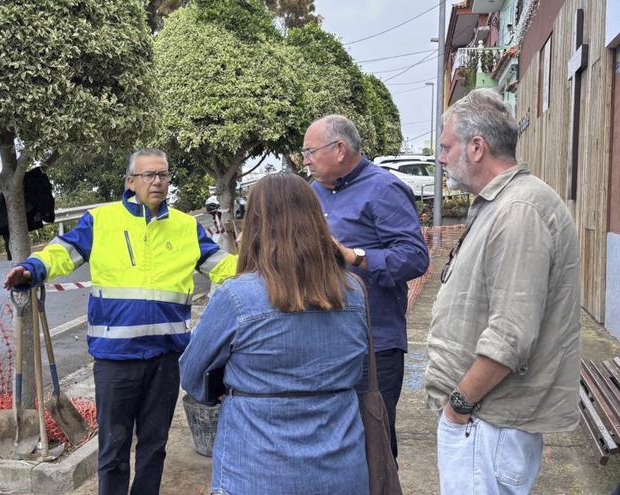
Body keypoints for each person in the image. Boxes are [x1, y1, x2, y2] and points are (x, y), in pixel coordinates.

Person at [3, 149, 236, 495]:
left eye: (163, 174)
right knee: (113, 450)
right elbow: (62, 252)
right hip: (116, 361)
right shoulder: (102, 220)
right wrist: (33, 269)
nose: (157, 181)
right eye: (148, 175)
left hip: (165, 358)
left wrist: (270, 269)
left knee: (154, 446)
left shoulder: (187, 228)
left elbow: (226, 266)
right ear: (130, 182)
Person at [425, 88, 580, 493]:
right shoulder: (503, 202)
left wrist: (458, 406)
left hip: (486, 420)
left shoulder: (519, 210)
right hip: (484, 420)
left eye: (446, 146)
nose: (440, 158)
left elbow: (511, 334)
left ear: (477, 147)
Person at [179, 173, 369, 494]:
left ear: (255, 225)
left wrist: (222, 391)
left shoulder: (237, 297)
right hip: (342, 467)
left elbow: (192, 373)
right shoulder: (353, 293)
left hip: (254, 469)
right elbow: (358, 371)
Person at [303, 114, 430, 458]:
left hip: (374, 346)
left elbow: (415, 258)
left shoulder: (383, 189)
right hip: (325, 340)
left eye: (310, 151)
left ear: (340, 149)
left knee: (374, 450)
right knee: (335, 449)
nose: (306, 160)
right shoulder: (313, 193)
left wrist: (354, 256)